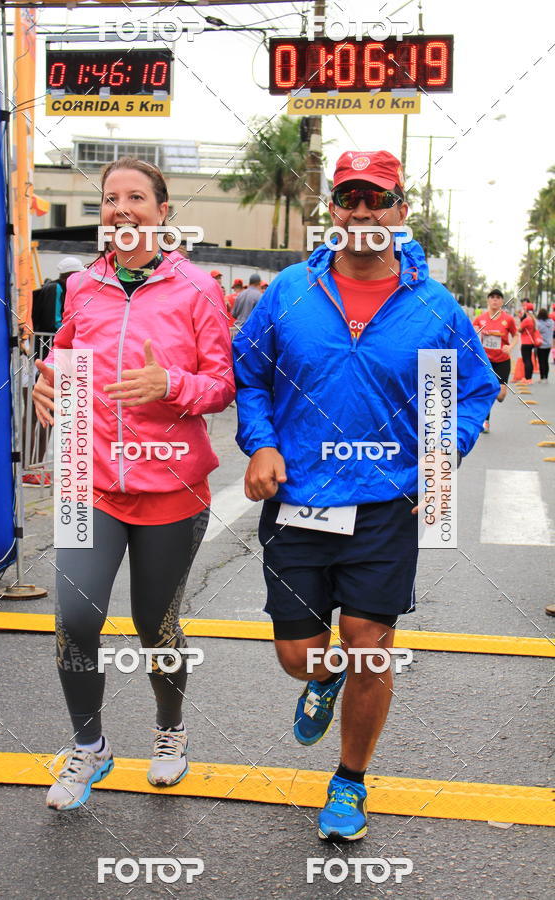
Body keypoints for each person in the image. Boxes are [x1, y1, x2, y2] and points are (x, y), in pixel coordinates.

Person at [233, 149, 498, 843]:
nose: (362, 211)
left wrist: (442, 459)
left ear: (401, 213)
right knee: (299, 654)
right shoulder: (290, 291)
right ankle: (320, 680)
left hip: (386, 505)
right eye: (349, 197)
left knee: (370, 650)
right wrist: (259, 442)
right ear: (333, 212)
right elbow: (249, 374)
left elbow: (474, 390)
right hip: (300, 499)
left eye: (376, 199)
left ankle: (349, 781)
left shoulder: (435, 308)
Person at [33, 157, 235, 810]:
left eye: (136, 197)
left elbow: (222, 385)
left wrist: (170, 385)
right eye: (110, 199)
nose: (121, 209)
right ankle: (89, 746)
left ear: (163, 211)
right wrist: (45, 379)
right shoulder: (82, 286)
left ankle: (170, 730)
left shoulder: (197, 288)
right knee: (74, 617)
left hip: (171, 485)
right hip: (87, 481)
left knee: (156, 624)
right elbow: (63, 350)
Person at [473, 288, 518, 432]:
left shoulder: (508, 319)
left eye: (498, 298)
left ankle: (493, 397)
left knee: (500, 396)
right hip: (486, 361)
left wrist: (510, 346)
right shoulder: (480, 319)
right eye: (492, 297)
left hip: (502, 361)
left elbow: (516, 335)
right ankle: (485, 420)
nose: (495, 300)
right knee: (487, 390)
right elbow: (471, 335)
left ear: (502, 301)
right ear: (488, 300)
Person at [31, 256, 84, 349]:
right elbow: (54, 322)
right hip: (49, 345)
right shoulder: (55, 288)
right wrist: (74, 333)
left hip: (54, 343)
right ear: (71, 274)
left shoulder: (64, 288)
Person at [518, 305, 540, 383]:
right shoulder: (534, 319)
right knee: (529, 360)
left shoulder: (527, 320)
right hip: (531, 342)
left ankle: (527, 378)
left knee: (526, 360)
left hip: (525, 342)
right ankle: (529, 378)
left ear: (526, 311)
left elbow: (520, 329)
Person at [535, 309, 554, 381]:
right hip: (548, 344)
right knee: (546, 360)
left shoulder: (539, 323)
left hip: (540, 344)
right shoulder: (551, 322)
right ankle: (546, 376)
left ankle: (542, 376)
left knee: (541, 361)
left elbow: (537, 330)